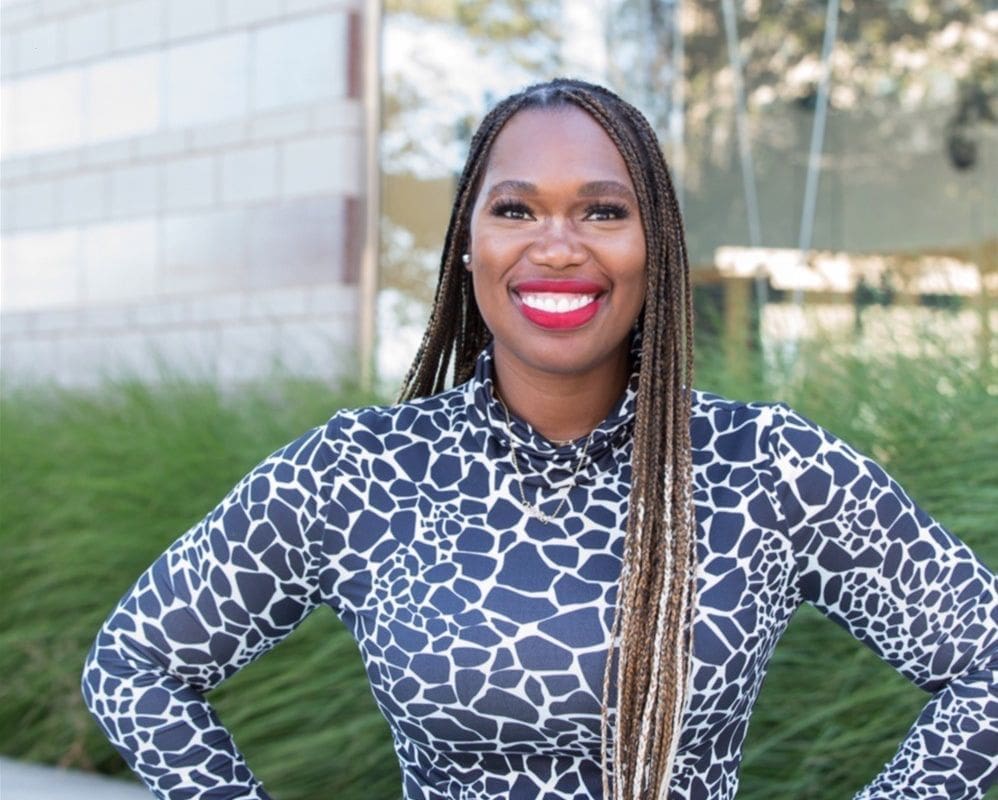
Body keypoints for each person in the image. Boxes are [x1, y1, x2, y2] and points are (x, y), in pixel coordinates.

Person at [82, 78, 997, 800]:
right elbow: (134, 665)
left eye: (603, 211)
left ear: (657, 246)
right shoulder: (362, 471)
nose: (557, 247)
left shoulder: (766, 467)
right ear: (468, 244)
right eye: (516, 210)